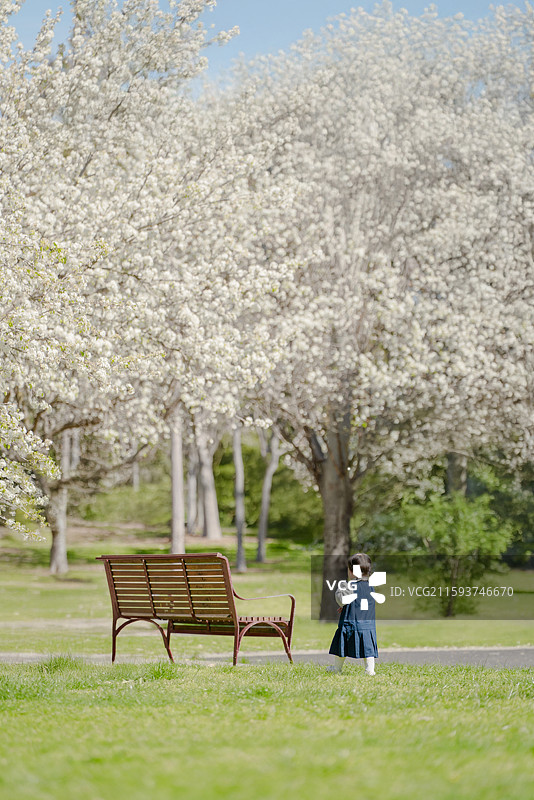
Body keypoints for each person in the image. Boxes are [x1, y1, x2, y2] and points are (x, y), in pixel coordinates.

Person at [327, 552, 378, 675]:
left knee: (342, 646)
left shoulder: (349, 586)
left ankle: (337, 668)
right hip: (367, 624)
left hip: (350, 623)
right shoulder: (371, 587)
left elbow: (341, 599)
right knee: (368, 647)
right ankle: (370, 670)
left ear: (352, 571)